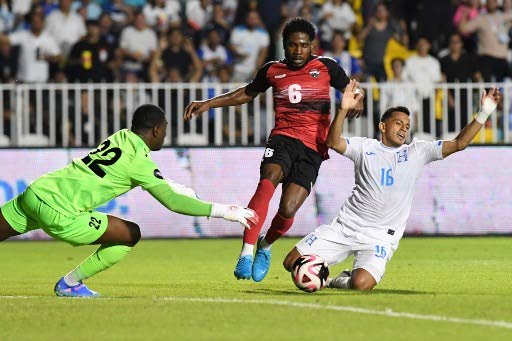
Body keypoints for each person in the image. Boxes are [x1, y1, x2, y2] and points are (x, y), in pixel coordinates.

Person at [0, 104, 258, 298]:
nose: (164, 137)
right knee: (130, 233)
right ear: (156, 130)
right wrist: (225, 211)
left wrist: (174, 185)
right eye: (164, 131)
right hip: (61, 212)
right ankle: (70, 284)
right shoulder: (139, 162)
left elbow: (149, 177)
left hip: (37, 192)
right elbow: (171, 202)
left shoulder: (120, 137)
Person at [184, 17, 363, 282]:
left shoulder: (326, 67)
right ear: (284, 46)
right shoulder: (272, 70)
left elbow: (351, 90)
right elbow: (246, 93)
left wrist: (358, 100)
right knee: (267, 180)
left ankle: (264, 246)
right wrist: (209, 103)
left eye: (303, 45)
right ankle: (245, 252)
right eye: (292, 45)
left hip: (314, 148)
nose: (298, 51)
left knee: (288, 208)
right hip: (283, 138)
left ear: (311, 45)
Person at [283, 80, 500, 291]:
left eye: (407, 126)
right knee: (291, 262)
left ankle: (338, 280)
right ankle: (321, 268)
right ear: (382, 126)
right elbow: (332, 142)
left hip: (379, 237)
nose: (404, 129)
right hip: (346, 227)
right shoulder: (364, 147)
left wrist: (485, 111)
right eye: (398, 123)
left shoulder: (417, 151)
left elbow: (460, 143)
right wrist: (342, 109)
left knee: (361, 284)